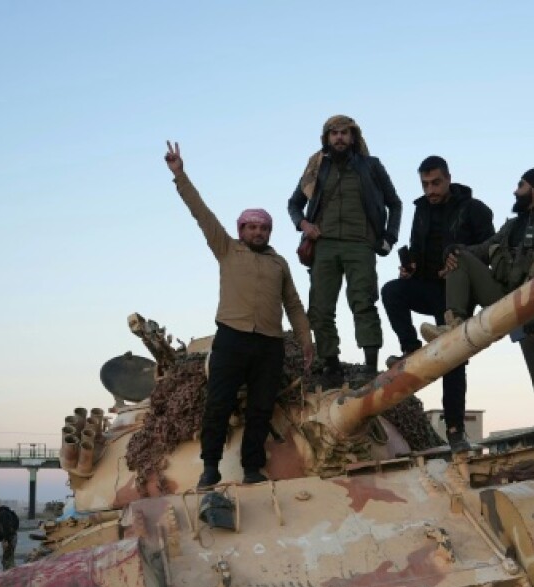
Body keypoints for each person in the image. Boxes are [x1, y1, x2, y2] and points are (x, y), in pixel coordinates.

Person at [165, 140, 314, 488]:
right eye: (251, 227)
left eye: (263, 228)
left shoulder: (279, 263)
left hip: (269, 345)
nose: (257, 232)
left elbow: (293, 305)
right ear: (241, 230)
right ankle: (210, 467)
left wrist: (306, 341)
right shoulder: (227, 249)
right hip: (231, 339)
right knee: (218, 405)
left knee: (261, 410)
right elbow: (201, 213)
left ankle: (252, 468)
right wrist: (180, 176)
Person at [422, 165, 534, 478]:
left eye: (520, 185)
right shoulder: (514, 225)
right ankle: (453, 323)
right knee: (461, 256)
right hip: (503, 299)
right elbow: (482, 250)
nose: (514, 191)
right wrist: (456, 251)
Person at [381, 156, 494, 452]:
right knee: (392, 291)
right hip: (428, 286)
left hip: (456, 295)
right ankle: (411, 348)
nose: (430, 190)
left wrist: (460, 255)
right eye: (425, 184)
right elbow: (417, 248)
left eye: (435, 183)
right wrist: (410, 268)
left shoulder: (474, 209)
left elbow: (492, 250)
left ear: (448, 179)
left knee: (452, 360)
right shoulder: (420, 211)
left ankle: (455, 432)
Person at [288, 115, 401, 381]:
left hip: (360, 243)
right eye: (333, 133)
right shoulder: (317, 168)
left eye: (344, 133)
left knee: (363, 302)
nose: (339, 137)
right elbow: (294, 204)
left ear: (353, 137)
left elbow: (394, 203)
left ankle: (370, 365)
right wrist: (304, 224)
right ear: (326, 138)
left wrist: (389, 237)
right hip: (323, 245)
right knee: (320, 307)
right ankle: (331, 365)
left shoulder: (371, 166)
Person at [0, 500, 20, 570]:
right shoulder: (1, 513)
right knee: (8, 558)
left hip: (9, 538)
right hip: (10, 537)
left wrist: (6, 541)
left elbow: (6, 528)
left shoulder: (3, 514)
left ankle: (9, 576)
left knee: (7, 560)